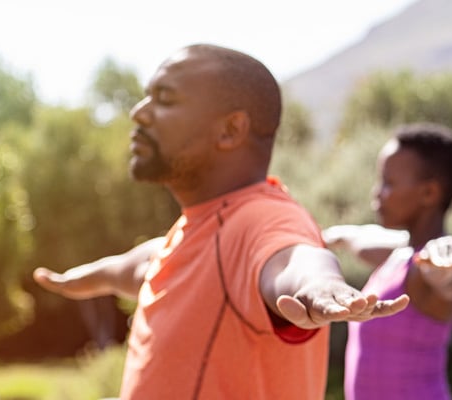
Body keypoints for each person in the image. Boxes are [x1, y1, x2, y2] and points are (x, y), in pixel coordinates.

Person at [31, 44, 408, 399]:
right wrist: (82, 279)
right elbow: (145, 265)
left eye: (164, 99)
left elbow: (293, 258)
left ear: (230, 130)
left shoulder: (262, 217)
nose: (139, 112)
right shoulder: (199, 229)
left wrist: (320, 284)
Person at [324, 123, 452, 400]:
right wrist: (333, 236)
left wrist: (447, 264)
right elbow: (363, 238)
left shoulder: (429, 264)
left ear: (429, 193)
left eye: (389, 183)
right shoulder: (400, 253)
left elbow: (450, 276)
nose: (377, 193)